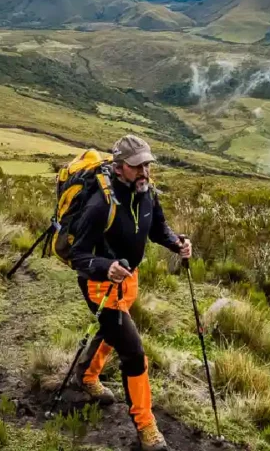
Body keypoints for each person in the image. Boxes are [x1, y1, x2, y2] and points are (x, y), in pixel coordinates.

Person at [67, 134, 192, 451]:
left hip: (129, 280)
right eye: (138, 167)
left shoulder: (147, 192)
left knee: (112, 334)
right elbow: (78, 255)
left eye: (147, 164)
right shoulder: (100, 204)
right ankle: (146, 427)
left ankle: (86, 374)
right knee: (133, 352)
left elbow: (158, 228)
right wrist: (105, 266)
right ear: (120, 167)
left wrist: (177, 243)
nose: (145, 172)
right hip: (100, 285)